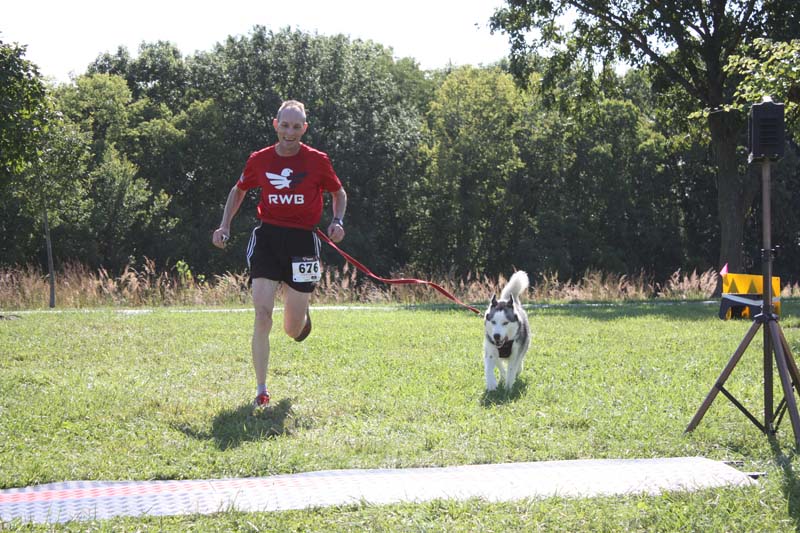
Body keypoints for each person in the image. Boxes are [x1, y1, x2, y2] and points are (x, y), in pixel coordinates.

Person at [212, 100, 347, 408]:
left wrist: (337, 220)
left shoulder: (318, 160)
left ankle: (302, 316)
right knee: (262, 315)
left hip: (305, 242)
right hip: (268, 238)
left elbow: (338, 193)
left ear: (304, 129)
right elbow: (239, 190)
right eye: (285, 125)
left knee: (292, 329)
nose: (290, 132)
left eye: (296, 127)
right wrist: (224, 226)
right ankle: (261, 389)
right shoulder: (259, 160)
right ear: (275, 125)